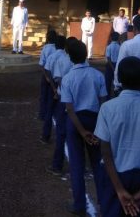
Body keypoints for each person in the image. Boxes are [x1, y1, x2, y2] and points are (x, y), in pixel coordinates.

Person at [94, 56, 140, 217]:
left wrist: (119, 189)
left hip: (114, 174)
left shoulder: (107, 108)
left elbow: (105, 150)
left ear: (118, 78)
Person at [60, 40, 107, 216]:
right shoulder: (98, 75)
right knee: (97, 162)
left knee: (77, 164)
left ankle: (79, 204)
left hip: (75, 122)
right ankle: (104, 199)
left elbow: (69, 108)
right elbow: (103, 102)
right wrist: (98, 127)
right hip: (94, 119)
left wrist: (81, 131)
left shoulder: (68, 78)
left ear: (70, 57)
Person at [44, 35, 72, 176]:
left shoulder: (58, 57)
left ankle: (45, 136)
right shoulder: (66, 59)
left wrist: (55, 89)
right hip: (67, 95)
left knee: (52, 114)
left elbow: (48, 70)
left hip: (59, 91)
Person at [39, 30, 58, 141]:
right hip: (55, 75)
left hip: (47, 75)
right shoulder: (56, 49)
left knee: (44, 95)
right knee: (52, 95)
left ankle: (43, 113)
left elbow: (42, 63)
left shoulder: (46, 48)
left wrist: (46, 76)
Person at [104, 32, 120, 99]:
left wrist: (112, 67)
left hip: (110, 65)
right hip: (117, 64)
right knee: (117, 82)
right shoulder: (120, 46)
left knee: (108, 82)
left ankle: (108, 97)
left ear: (111, 38)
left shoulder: (109, 47)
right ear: (118, 38)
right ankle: (117, 95)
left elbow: (108, 57)